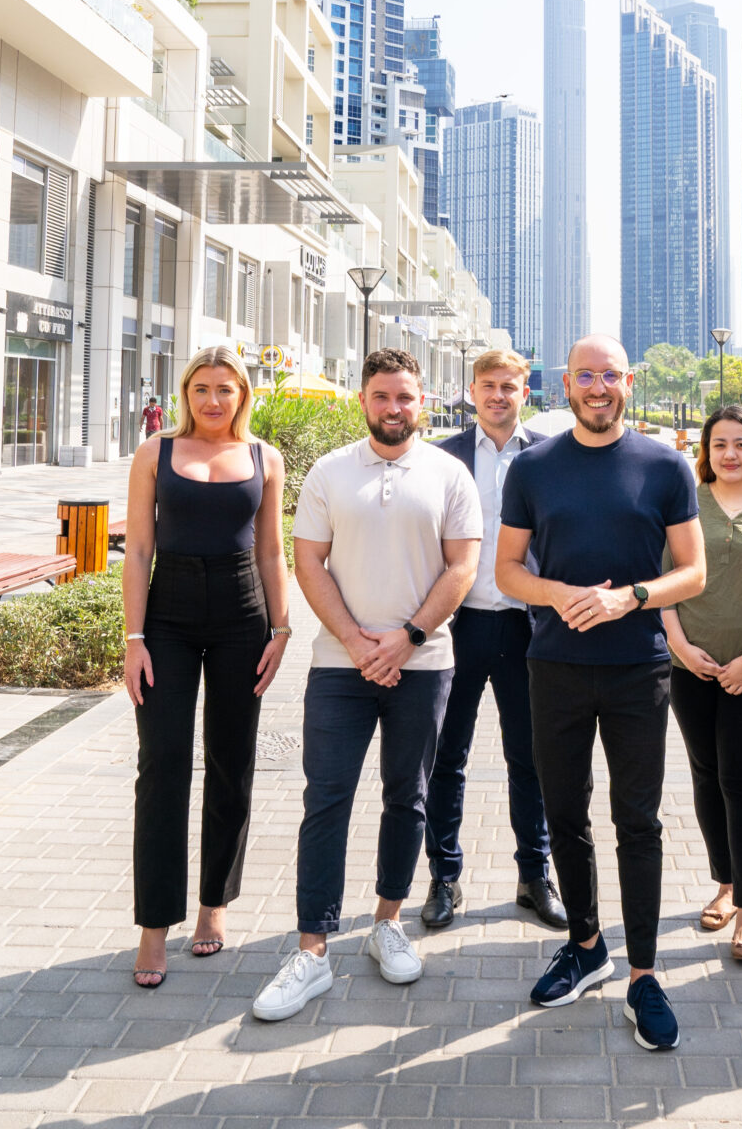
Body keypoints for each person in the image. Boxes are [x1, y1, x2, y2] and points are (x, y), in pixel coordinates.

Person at [252, 349, 481, 1021]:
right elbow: (308, 562)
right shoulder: (330, 471)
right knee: (325, 799)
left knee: (407, 797)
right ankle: (312, 951)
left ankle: (387, 923)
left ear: (422, 401)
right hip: (337, 666)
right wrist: (356, 642)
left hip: (423, 663)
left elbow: (462, 568)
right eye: (382, 396)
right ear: (363, 400)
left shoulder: (449, 474)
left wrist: (407, 638)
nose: (393, 408)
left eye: (405, 397)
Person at [496, 335, 706, 1052]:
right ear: (565, 384)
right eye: (584, 375)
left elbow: (693, 572)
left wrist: (631, 598)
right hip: (554, 664)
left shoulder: (664, 465)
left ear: (628, 382)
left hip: (637, 668)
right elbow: (507, 570)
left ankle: (643, 975)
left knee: (637, 821)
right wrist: (558, 594)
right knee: (564, 813)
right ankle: (586, 946)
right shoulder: (532, 467)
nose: (597, 386)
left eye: (609, 375)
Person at [123, 346, 289, 990]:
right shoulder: (155, 453)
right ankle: (153, 923)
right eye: (201, 388)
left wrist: (281, 629)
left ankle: (214, 903)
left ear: (242, 394)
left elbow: (271, 551)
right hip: (167, 613)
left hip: (242, 614)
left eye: (225, 389)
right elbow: (139, 549)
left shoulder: (264, 457)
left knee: (231, 760)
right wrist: (134, 638)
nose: (213, 400)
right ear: (185, 393)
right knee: (161, 763)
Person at [421, 349, 567, 931]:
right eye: (488, 385)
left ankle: (535, 875)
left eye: (509, 386)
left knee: (530, 758)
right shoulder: (442, 457)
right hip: (457, 626)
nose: (498, 395)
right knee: (446, 757)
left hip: (527, 627)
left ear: (524, 391)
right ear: (472, 391)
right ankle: (444, 877)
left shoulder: (550, 457)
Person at [662, 404, 742, 963]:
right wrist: (680, 648)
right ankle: (724, 883)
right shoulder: (686, 505)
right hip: (691, 670)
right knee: (707, 776)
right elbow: (664, 583)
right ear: (706, 451)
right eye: (719, 444)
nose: (730, 454)